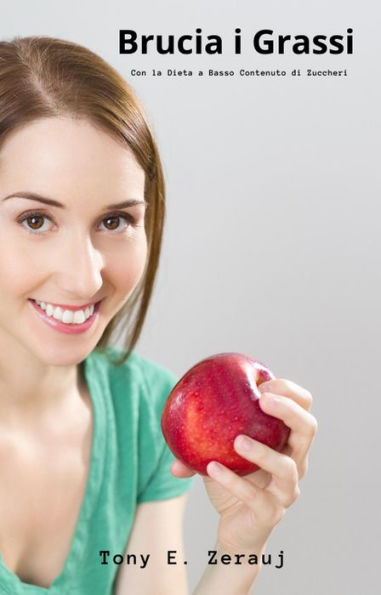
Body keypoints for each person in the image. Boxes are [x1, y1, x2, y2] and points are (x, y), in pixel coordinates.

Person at [0, 36, 317, 594]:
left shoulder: (145, 410)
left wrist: (241, 548)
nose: (86, 276)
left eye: (116, 220)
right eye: (34, 220)